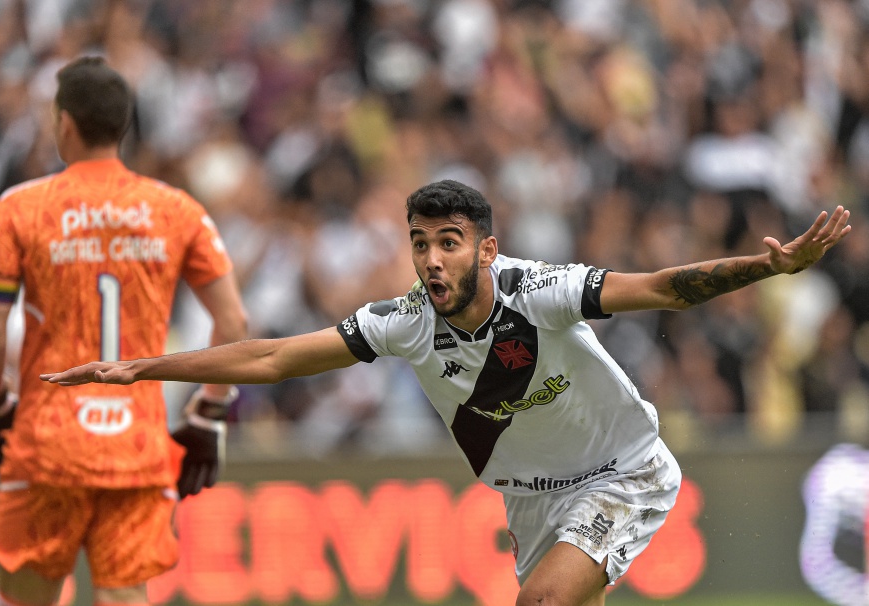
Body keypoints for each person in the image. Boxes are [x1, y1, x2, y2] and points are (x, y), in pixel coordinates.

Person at [42, 180, 851, 606]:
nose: (431, 260)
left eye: (449, 243)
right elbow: (273, 359)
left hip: (623, 470)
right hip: (531, 501)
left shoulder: (540, 290)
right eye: (421, 243)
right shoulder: (400, 321)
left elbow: (669, 289)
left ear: (486, 249)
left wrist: (767, 267)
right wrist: (141, 368)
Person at [0, 56, 247, 606]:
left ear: (64, 124)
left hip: (45, 447)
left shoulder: (20, 208)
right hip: (136, 450)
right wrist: (207, 412)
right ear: (122, 127)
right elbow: (234, 322)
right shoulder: (177, 210)